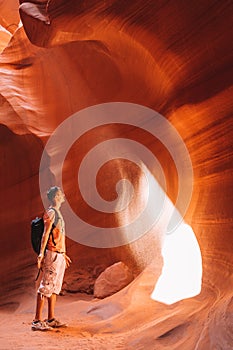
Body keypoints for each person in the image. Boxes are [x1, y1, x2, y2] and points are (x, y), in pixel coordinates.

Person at [31, 186, 71, 331]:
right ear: (55, 197)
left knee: (54, 288)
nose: (63, 196)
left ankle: (51, 318)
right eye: (60, 194)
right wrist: (41, 254)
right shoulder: (51, 213)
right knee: (45, 286)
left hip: (58, 254)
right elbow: (45, 235)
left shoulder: (57, 213)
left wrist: (63, 253)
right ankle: (36, 320)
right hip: (52, 255)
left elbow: (59, 235)